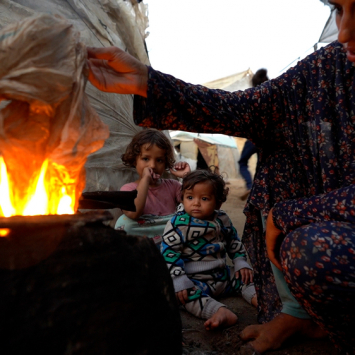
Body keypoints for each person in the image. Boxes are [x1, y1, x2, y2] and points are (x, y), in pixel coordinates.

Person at [87, 1, 355, 353]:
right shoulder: (328, 68)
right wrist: (149, 84)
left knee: (305, 252)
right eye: (339, 9)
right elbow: (247, 109)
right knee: (282, 148)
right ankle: (298, 312)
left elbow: (230, 243)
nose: (345, 31)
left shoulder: (208, 214)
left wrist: (285, 218)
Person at [161, 169, 257, 331]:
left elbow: (233, 241)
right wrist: (178, 279)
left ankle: (259, 300)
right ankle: (219, 311)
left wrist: (240, 262)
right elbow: (169, 253)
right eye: (190, 197)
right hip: (194, 280)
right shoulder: (178, 223)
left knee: (247, 277)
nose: (196, 203)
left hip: (223, 275)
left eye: (204, 198)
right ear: (182, 198)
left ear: (218, 202)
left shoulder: (222, 218)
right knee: (179, 294)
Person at [115, 129, 190, 245]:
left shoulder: (173, 186)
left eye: (159, 160)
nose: (153, 165)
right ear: (135, 160)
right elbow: (134, 214)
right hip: (143, 240)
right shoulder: (128, 189)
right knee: (124, 223)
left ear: (166, 163)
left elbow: (193, 203)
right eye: (146, 159)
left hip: (169, 239)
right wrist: (145, 179)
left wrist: (187, 177)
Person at [238, 69, 269, 201]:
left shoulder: (250, 97)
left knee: (242, 161)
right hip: (268, 137)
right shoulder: (272, 95)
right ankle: (260, 189)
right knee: (261, 164)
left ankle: (251, 186)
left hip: (253, 138)